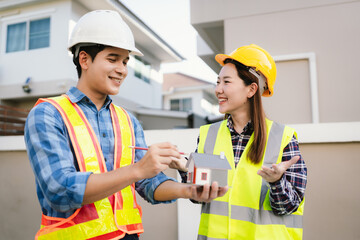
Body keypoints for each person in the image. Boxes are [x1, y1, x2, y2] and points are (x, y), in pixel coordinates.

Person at [24, 10, 227, 240]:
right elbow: (59, 190)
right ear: (84, 59)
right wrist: (138, 169)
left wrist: (189, 190)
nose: (122, 69)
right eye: (113, 59)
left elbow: (149, 183)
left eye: (125, 61)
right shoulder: (48, 114)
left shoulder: (128, 121)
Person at [189, 44, 307, 240]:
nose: (218, 89)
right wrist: (186, 171)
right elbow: (197, 196)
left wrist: (276, 182)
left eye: (226, 82)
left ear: (251, 89)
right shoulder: (208, 134)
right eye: (217, 82)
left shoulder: (283, 137)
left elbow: (289, 206)